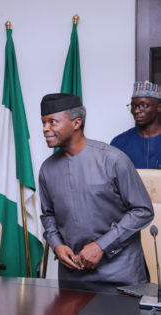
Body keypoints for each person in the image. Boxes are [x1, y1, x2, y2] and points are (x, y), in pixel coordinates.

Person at [39, 93, 153, 285]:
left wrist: (101, 246)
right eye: (43, 123)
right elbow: (48, 215)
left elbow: (142, 211)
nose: (45, 129)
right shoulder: (47, 169)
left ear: (76, 123)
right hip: (72, 277)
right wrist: (56, 245)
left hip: (120, 275)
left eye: (52, 122)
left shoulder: (114, 160)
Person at [110, 81, 161, 169]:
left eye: (144, 105)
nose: (136, 111)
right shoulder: (119, 142)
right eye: (133, 106)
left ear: (159, 107)